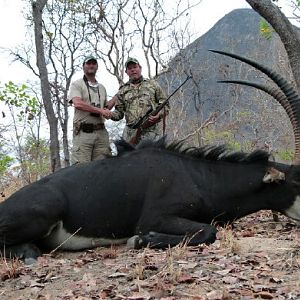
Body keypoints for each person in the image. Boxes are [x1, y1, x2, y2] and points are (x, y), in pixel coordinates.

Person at [108, 57, 169, 144]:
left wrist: (158, 116)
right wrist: (109, 114)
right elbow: (119, 113)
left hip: (151, 132)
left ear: (140, 68)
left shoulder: (153, 85)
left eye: (135, 67)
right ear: (126, 72)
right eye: (129, 68)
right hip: (130, 134)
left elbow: (165, 105)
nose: (133, 70)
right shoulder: (122, 90)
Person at [68, 56, 114, 164]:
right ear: (83, 66)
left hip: (101, 133)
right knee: (80, 170)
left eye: (94, 63)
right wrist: (100, 111)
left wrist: (118, 95)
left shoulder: (102, 88)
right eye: (88, 63)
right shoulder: (77, 84)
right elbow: (78, 103)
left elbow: (105, 108)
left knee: (104, 167)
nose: (91, 66)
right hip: (83, 134)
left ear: (97, 66)